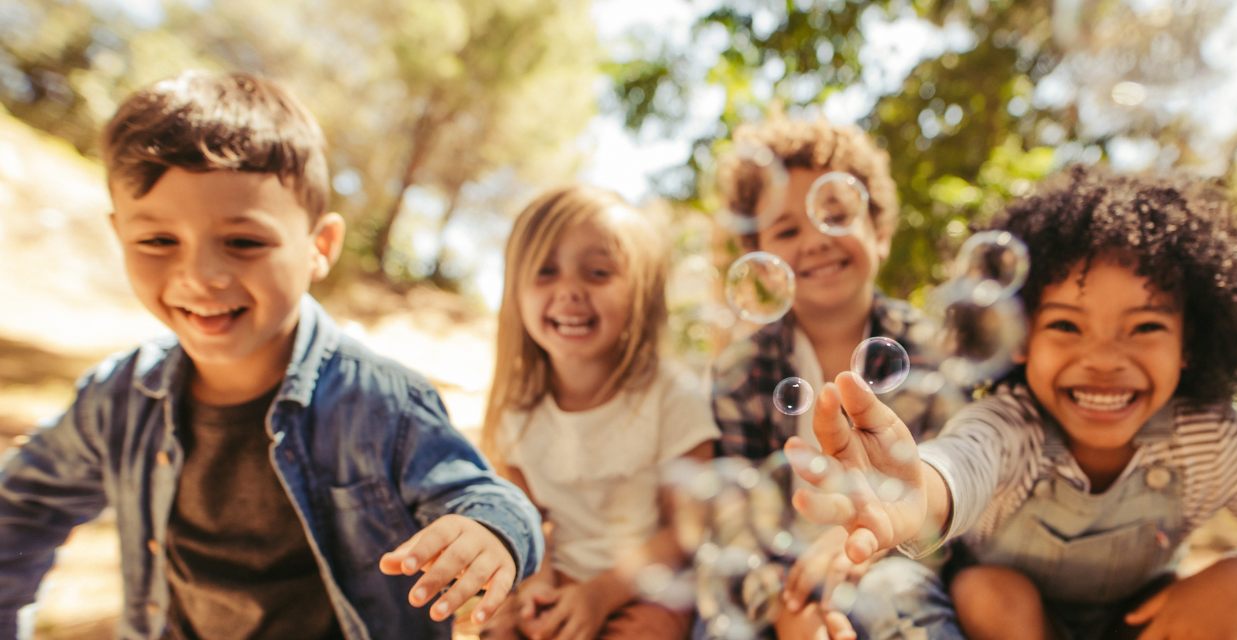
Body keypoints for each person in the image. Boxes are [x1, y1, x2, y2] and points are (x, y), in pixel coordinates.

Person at [0, 71, 543, 640]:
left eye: (244, 242)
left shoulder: (382, 403)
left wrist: (491, 532)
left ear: (319, 247)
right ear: (120, 236)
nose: (200, 275)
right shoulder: (117, 398)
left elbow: (483, 495)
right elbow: (20, 510)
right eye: (158, 241)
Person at [786, 166, 1237, 640]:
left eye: (1145, 327)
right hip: (1008, 623)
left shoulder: (1211, 439)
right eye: (1066, 325)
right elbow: (962, 461)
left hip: (1137, 623)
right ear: (1018, 337)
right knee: (986, 592)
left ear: (1190, 344)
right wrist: (917, 490)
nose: (1104, 359)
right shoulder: (1011, 423)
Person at [710, 116, 967, 640]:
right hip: (778, 579)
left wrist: (864, 549)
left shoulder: (930, 353)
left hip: (893, 561)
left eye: (835, 216)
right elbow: (735, 519)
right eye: (787, 230)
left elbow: (947, 497)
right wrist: (783, 607)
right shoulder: (741, 372)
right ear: (762, 263)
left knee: (894, 597)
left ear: (880, 233)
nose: (815, 240)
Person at [478, 185, 719, 640]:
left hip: (647, 587)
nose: (569, 290)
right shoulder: (518, 408)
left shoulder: (671, 395)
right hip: (556, 576)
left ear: (641, 293)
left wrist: (601, 595)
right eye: (545, 271)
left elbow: (688, 528)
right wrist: (538, 584)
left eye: (598, 272)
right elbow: (525, 516)